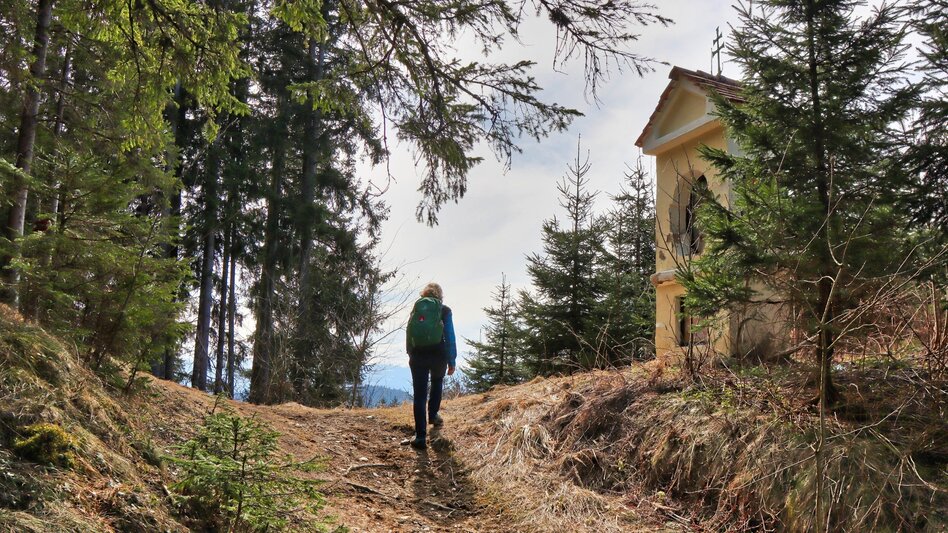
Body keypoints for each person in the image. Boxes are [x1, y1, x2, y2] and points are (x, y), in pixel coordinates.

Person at [403, 282, 457, 449]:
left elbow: (409, 330)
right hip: (438, 355)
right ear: (440, 295)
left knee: (419, 395)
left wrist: (410, 352)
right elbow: (450, 336)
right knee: (437, 381)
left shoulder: (417, 308)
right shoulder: (444, 310)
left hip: (417, 355)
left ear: (424, 294)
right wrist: (452, 360)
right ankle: (433, 416)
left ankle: (420, 436)